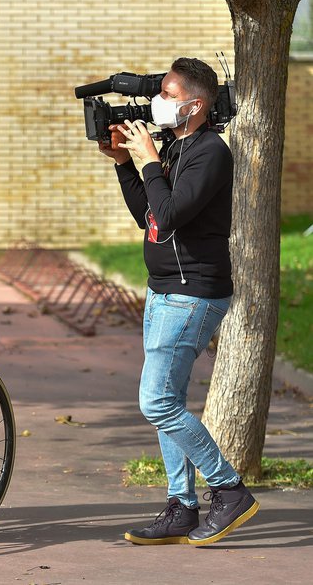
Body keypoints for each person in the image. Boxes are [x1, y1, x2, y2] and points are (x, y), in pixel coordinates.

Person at [99, 57, 259, 546]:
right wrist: (129, 165)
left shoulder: (210, 152)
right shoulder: (176, 147)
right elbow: (149, 217)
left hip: (192, 295)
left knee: (157, 401)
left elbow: (169, 215)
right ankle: (182, 506)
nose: (160, 103)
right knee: (167, 401)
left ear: (196, 104)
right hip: (163, 289)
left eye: (168, 95)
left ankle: (229, 490)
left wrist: (148, 159)